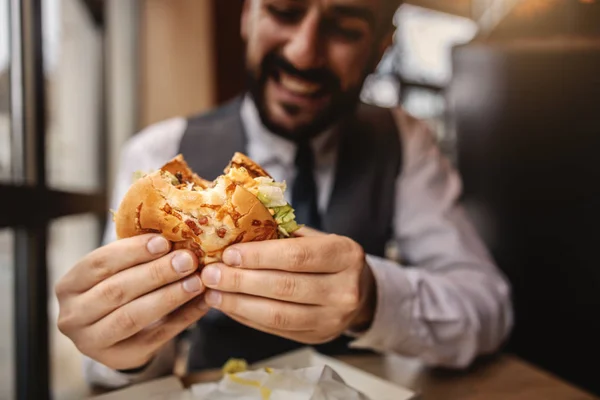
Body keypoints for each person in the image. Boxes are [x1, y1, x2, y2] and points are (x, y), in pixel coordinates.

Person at [55, 0, 513, 389]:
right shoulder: (157, 152)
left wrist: (374, 298)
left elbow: (487, 308)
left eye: (344, 28)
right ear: (248, 15)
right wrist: (121, 344)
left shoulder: (404, 141)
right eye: (284, 11)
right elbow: (123, 374)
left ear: (380, 49)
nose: (304, 52)